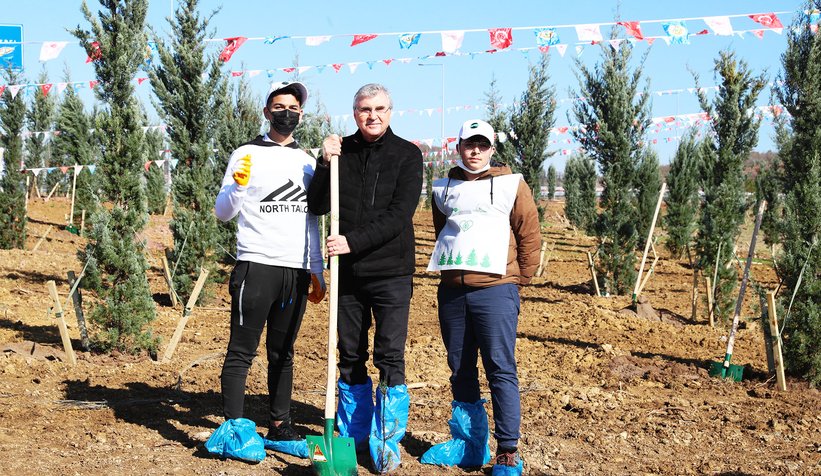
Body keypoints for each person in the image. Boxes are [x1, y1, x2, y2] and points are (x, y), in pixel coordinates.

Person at [307, 83, 422, 473]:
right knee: (350, 354)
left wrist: (350, 242)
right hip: (348, 276)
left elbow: (399, 214)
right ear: (354, 112)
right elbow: (317, 204)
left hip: (390, 272)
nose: (372, 116)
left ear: (391, 111)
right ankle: (352, 437)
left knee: (389, 355)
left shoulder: (407, 155)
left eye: (379, 108)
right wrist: (324, 164)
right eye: (363, 109)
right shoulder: (343, 153)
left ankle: (386, 441)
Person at [420, 119, 540, 476]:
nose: (475, 151)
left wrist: (520, 280)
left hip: (496, 291)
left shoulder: (511, 185)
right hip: (454, 292)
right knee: (459, 367)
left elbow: (529, 233)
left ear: (492, 148)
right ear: (458, 148)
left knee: (500, 368)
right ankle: (470, 443)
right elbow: (444, 232)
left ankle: (507, 451)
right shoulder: (443, 188)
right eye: (469, 145)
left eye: (482, 145)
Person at [214, 80, 326, 444]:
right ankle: (234, 428)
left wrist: (316, 269)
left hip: (294, 270)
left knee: (283, 351)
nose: (286, 113)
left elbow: (314, 220)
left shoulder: (309, 162)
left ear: (301, 114)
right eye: (279, 107)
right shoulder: (246, 154)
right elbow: (223, 213)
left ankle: (280, 425)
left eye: (293, 108)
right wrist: (238, 188)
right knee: (242, 350)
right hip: (257, 264)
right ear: (266, 112)